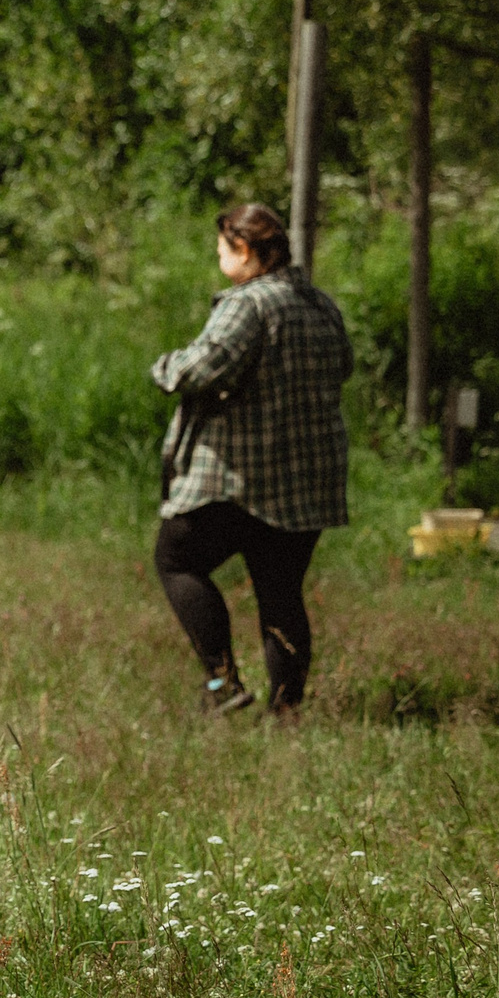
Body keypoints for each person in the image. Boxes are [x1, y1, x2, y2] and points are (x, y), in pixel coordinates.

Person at [150, 204, 352, 714]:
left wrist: (165, 366)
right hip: (306, 481)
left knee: (177, 560)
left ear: (244, 250)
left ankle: (222, 684)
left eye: (221, 249)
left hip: (242, 479)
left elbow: (202, 369)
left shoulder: (250, 303)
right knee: (282, 593)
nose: (219, 258)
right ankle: (286, 714)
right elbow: (343, 367)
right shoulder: (322, 305)